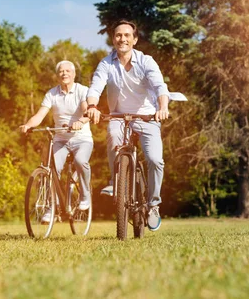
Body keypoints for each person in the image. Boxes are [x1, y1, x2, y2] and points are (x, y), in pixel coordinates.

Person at [86, 20, 169, 232]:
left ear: (134, 39)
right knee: (113, 137)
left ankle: (153, 205)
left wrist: (162, 107)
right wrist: (93, 106)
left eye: (126, 35)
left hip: (146, 117)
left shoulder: (146, 61)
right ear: (113, 39)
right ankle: (117, 183)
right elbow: (96, 86)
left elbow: (160, 85)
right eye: (118, 35)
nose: (122, 39)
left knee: (155, 160)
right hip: (119, 116)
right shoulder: (106, 63)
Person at [20, 60, 93, 223]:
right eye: (61, 71)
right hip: (60, 139)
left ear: (74, 74)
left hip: (82, 139)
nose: (64, 73)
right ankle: (51, 207)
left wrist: (80, 122)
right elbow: (40, 115)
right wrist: (28, 125)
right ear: (57, 75)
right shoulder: (51, 94)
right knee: (51, 169)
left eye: (68, 71)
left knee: (81, 161)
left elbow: (85, 109)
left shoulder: (82, 90)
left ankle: (85, 194)